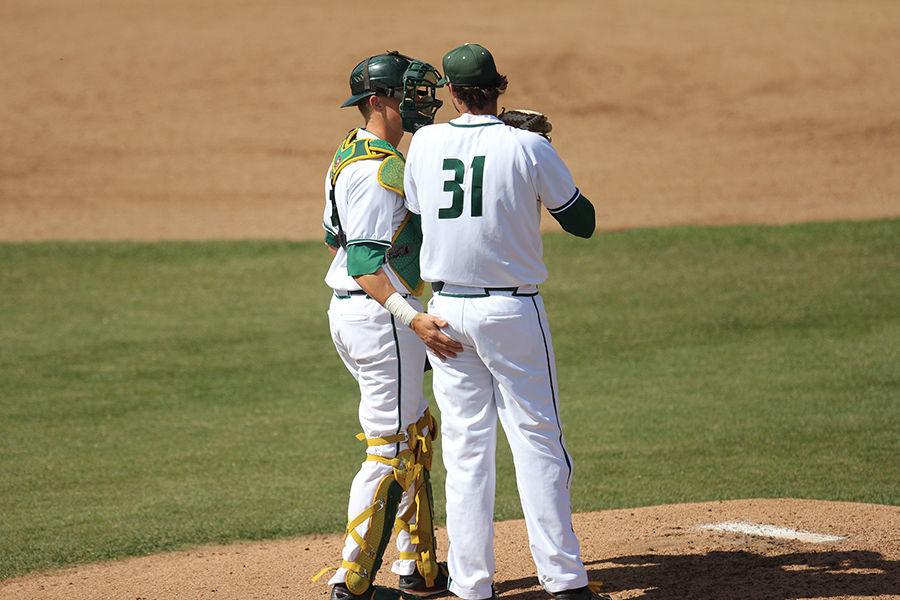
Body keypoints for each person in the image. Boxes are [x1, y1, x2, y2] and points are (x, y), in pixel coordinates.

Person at [401, 44, 608, 600]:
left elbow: (422, 216)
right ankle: (564, 583)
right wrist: (542, 154)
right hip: (511, 311)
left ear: (450, 92)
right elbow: (582, 222)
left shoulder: (424, 142)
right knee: (538, 439)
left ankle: (472, 586)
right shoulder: (528, 145)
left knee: (467, 451)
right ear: (499, 86)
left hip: (444, 312)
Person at [319, 50, 463, 600]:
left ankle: (419, 565)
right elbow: (361, 261)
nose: (423, 101)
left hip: (353, 315)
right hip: (381, 317)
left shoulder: (348, 153)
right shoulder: (381, 171)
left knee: (414, 431)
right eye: (410, 93)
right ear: (379, 101)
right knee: (390, 447)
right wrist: (413, 317)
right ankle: (351, 582)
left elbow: (335, 238)